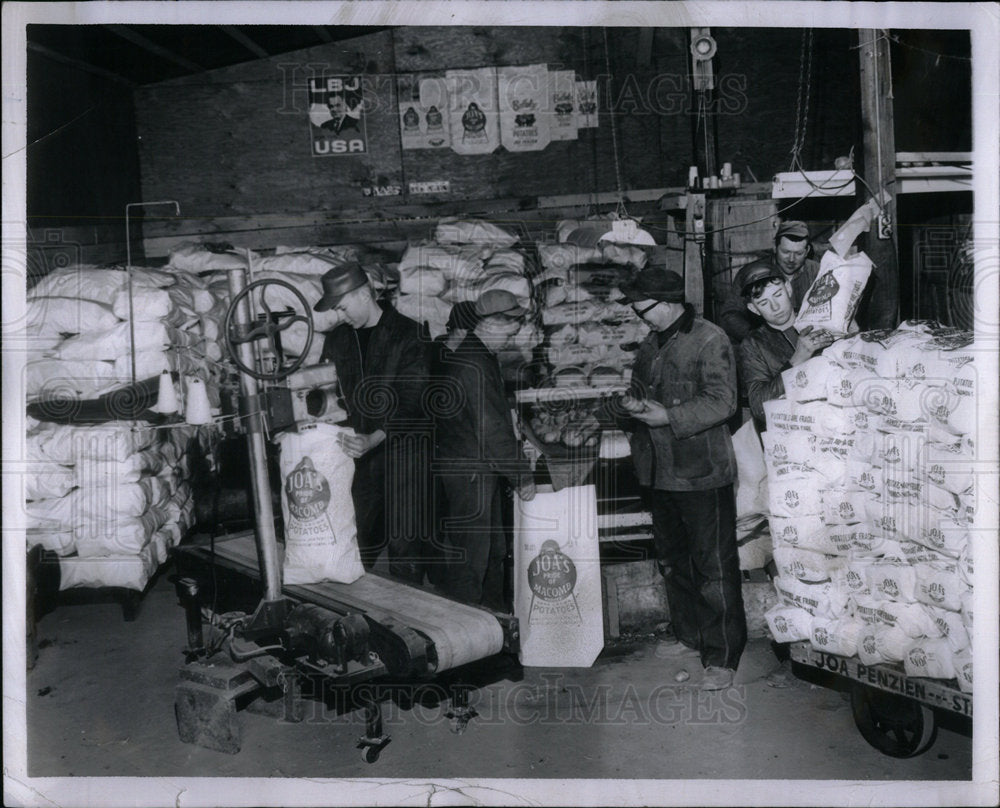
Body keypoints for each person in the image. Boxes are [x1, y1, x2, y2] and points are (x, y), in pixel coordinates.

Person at [616, 268, 747, 691]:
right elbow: (644, 393)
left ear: (668, 302)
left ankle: (722, 656)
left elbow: (723, 402)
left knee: (714, 566)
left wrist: (668, 416)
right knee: (674, 562)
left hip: (701, 473)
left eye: (643, 309)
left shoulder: (711, 339)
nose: (640, 317)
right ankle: (689, 634)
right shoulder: (651, 343)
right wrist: (631, 405)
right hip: (659, 472)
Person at [315, 262, 431, 583]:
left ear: (365, 294)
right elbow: (326, 393)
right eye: (336, 310)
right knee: (355, 541)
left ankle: (409, 623)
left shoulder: (410, 334)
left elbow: (413, 399)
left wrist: (375, 437)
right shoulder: (337, 340)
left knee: (405, 547)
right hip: (358, 458)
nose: (341, 315)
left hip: (403, 457)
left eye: (343, 306)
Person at [430, 289, 536, 610]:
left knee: (492, 554)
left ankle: (496, 637)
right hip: (470, 476)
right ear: (491, 323)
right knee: (472, 563)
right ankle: (469, 646)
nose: (514, 336)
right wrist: (522, 476)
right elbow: (492, 430)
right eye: (511, 328)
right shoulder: (472, 364)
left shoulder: (478, 356)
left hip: (475, 472)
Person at [734, 258, 835, 432]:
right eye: (763, 303)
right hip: (792, 436)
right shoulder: (753, 345)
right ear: (753, 309)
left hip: (833, 423)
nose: (775, 306)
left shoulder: (820, 319)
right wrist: (796, 360)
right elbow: (759, 407)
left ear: (788, 288)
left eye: (778, 294)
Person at [718, 220, 820, 344]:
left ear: (807, 250)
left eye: (798, 253)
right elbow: (730, 315)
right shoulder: (751, 274)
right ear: (774, 247)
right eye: (786, 252)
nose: (791, 259)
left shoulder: (818, 272)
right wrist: (759, 340)